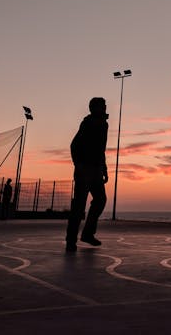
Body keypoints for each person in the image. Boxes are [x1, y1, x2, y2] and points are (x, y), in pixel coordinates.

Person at [65, 97, 109, 252]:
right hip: (85, 169)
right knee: (79, 205)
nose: (105, 107)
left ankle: (88, 234)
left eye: (104, 105)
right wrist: (79, 164)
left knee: (100, 199)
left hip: (96, 169)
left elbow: (100, 149)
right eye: (102, 105)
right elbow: (74, 145)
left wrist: (103, 168)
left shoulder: (104, 124)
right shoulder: (88, 123)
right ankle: (71, 240)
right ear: (94, 108)